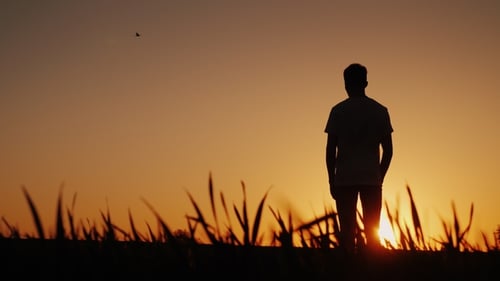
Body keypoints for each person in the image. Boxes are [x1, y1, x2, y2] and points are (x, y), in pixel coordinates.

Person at [324, 63, 393, 254]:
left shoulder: (338, 111)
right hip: (371, 179)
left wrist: (332, 179)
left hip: (344, 179)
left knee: (346, 235)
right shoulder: (380, 111)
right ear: (365, 82)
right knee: (372, 235)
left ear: (346, 84)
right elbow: (388, 150)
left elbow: (330, 150)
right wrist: (380, 176)